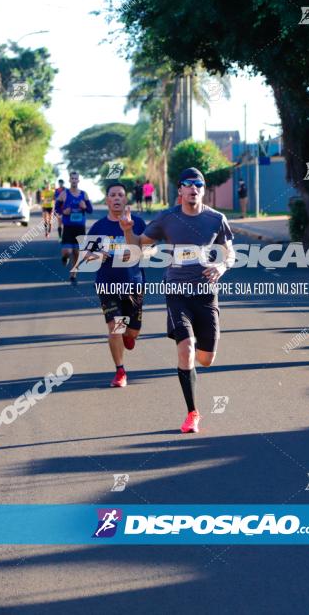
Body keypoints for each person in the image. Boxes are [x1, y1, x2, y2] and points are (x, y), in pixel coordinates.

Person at [119, 167, 235, 433]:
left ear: (203, 190)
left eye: (199, 185)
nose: (193, 188)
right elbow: (138, 246)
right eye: (188, 184)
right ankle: (192, 413)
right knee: (186, 349)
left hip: (206, 294)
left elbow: (230, 254)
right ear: (180, 190)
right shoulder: (167, 218)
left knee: (206, 359)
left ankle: (199, 362)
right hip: (177, 292)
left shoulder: (216, 219)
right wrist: (127, 230)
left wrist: (221, 267)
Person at [84, 183, 145, 388]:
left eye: (120, 195)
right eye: (113, 195)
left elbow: (151, 249)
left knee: (132, 332)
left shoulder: (137, 222)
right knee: (115, 328)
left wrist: (136, 252)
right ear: (107, 199)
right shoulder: (98, 227)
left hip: (133, 284)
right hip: (107, 284)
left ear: (125, 199)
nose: (117, 198)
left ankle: (129, 336)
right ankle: (120, 371)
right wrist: (102, 254)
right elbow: (87, 256)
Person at [56, 171, 93, 285]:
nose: (74, 180)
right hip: (68, 227)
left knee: (77, 252)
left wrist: (84, 206)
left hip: (80, 228)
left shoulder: (84, 194)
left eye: (76, 178)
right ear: (69, 180)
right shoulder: (64, 194)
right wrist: (63, 211)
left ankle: (73, 275)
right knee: (67, 251)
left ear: (78, 180)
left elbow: (90, 210)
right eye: (72, 178)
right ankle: (65, 257)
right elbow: (56, 208)